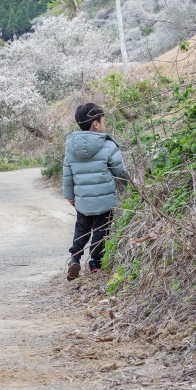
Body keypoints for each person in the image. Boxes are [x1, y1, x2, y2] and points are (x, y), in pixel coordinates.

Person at [62, 102, 126, 281]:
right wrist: (130, 186)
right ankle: (95, 263)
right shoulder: (108, 145)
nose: (104, 125)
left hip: (82, 200)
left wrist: (70, 196)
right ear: (96, 124)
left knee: (81, 229)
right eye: (103, 121)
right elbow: (119, 171)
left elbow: (67, 174)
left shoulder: (70, 147)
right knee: (101, 231)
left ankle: (75, 258)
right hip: (105, 201)